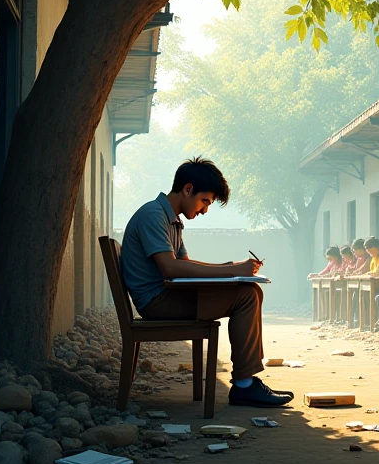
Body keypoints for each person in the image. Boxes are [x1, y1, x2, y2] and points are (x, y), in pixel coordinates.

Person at [119, 157, 290, 408]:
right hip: (157, 302)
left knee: (247, 290)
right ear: (188, 189)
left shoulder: (172, 220)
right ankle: (244, 384)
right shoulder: (153, 216)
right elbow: (171, 267)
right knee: (247, 295)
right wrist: (232, 272)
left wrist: (230, 269)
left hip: (167, 295)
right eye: (205, 201)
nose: (205, 210)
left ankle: (246, 381)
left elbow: (187, 266)